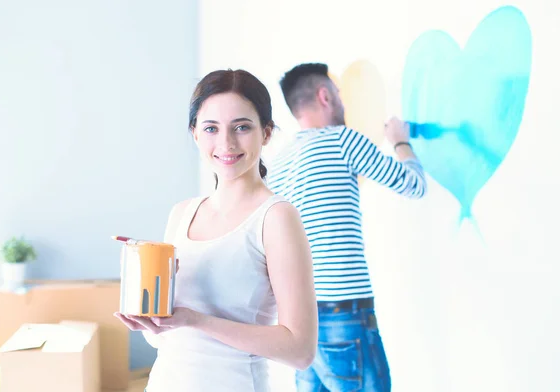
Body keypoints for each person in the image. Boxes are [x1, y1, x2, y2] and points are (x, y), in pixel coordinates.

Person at [114, 69, 318, 391]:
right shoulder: (182, 214)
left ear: (266, 133)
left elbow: (300, 350)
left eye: (242, 127)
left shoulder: (276, 218)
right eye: (211, 128)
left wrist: (196, 320)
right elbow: (171, 339)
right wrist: (151, 322)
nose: (226, 143)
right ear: (195, 134)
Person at [266, 63, 427, 392]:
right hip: (346, 314)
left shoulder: (279, 164)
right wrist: (400, 142)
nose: (343, 102)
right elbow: (414, 185)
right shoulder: (343, 140)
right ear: (324, 96)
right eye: (339, 94)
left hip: (301, 320)